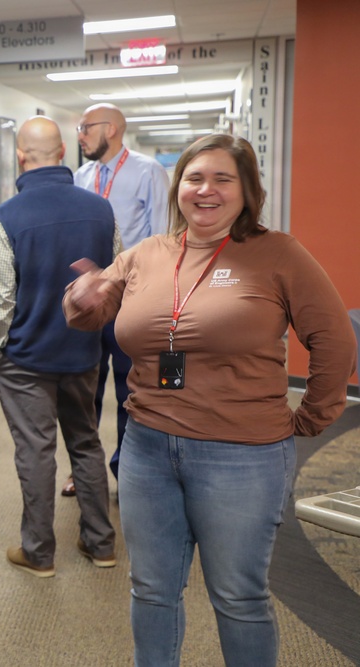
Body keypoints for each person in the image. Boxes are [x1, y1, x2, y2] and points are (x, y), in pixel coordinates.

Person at [63, 133, 357, 666]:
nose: (206, 190)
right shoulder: (149, 253)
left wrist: (315, 416)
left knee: (238, 598)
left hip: (240, 455)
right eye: (195, 178)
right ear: (179, 186)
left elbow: (335, 340)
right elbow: (87, 315)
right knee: (151, 590)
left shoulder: (278, 253)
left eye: (223, 179)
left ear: (248, 190)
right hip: (147, 449)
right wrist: (82, 296)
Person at [0, 116, 117, 578]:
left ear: (20, 157)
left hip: (26, 360)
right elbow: (114, 281)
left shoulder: (7, 216)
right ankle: (101, 544)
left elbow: (0, 299)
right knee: (86, 443)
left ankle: (39, 553)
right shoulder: (101, 210)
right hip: (83, 354)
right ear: (63, 152)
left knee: (36, 451)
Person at [61, 102, 171, 497]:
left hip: (131, 300)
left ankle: (128, 470)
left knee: (131, 391)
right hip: (91, 301)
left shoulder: (148, 172)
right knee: (84, 390)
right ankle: (83, 469)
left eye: (85, 127)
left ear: (112, 129)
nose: (80, 135)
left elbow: (163, 240)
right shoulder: (81, 175)